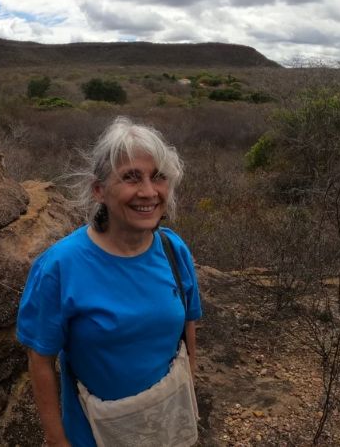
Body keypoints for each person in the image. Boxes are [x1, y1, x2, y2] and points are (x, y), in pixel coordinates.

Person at [16, 116, 202, 446]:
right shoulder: (60, 266)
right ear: (99, 190)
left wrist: (188, 393)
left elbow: (187, 327)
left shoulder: (175, 250)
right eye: (131, 178)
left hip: (167, 426)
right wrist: (57, 439)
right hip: (94, 433)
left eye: (158, 177)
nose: (148, 191)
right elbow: (40, 360)